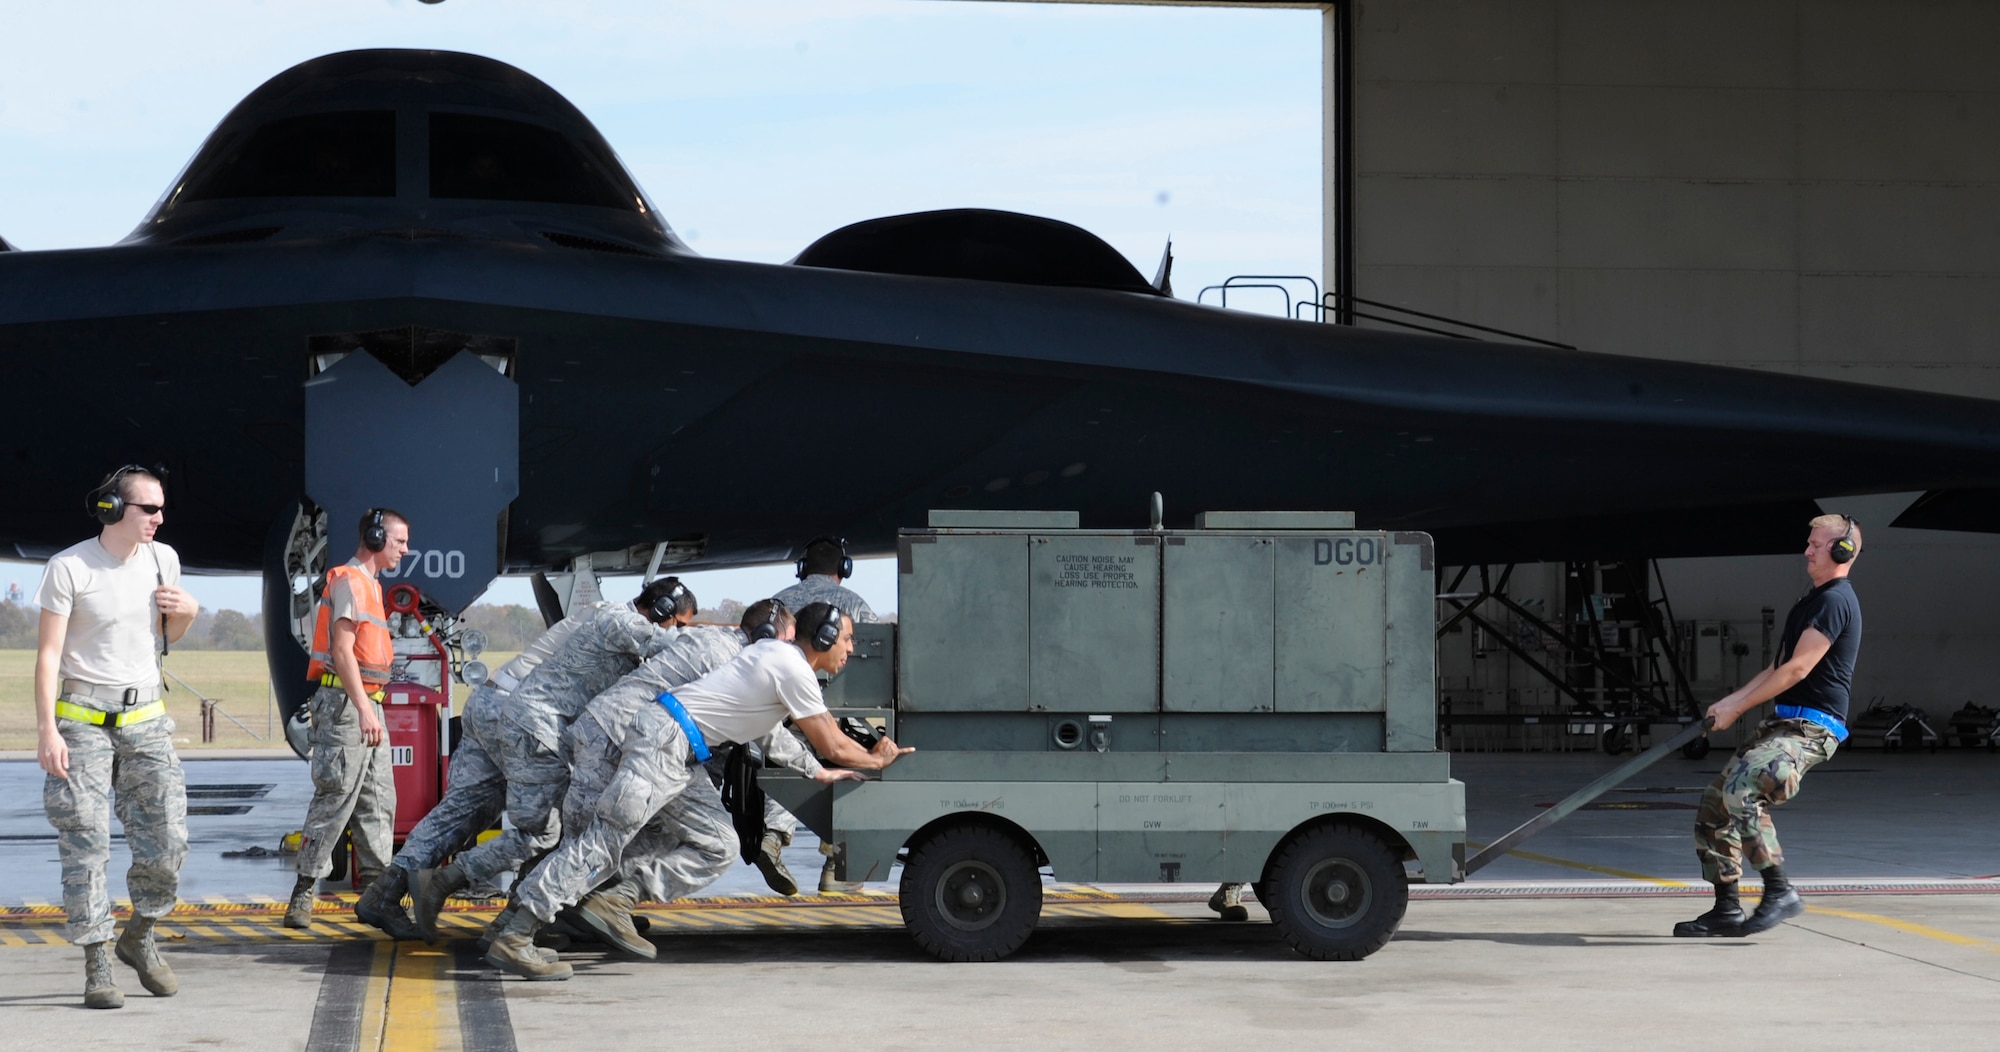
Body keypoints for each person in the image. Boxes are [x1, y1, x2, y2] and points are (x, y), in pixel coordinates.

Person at [487, 602, 913, 980]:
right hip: (664, 742)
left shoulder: (771, 656)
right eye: (847, 639)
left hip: (676, 746)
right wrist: (878, 758)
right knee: (602, 842)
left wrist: (815, 772)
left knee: (718, 843)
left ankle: (612, 899)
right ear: (822, 638)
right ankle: (519, 931)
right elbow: (831, 743)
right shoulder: (793, 667)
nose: (852, 649)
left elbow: (769, 734)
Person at [385, 577, 695, 938]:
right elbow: (680, 651)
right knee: (551, 822)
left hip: (492, 701)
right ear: (662, 611)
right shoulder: (620, 622)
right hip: (524, 716)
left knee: (464, 810)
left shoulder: (602, 613)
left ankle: (385, 893)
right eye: (680, 621)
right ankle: (522, 910)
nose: (680, 627)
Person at [35, 465, 197, 1009]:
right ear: (112, 509)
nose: (158, 517)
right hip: (82, 719)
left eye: (161, 508)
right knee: (86, 844)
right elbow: (48, 656)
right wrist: (46, 732)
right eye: (147, 508)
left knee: (169, 841)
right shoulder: (70, 568)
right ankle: (97, 960)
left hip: (146, 719)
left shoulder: (163, 560)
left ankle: (140, 934)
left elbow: (165, 637)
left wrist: (189, 614)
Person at [1674, 514, 1863, 938]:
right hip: (1785, 724)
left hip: (1812, 728)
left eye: (1816, 544)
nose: (1807, 550)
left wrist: (1739, 709)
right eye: (1809, 543)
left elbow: (1797, 669)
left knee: (1744, 788)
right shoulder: (1811, 601)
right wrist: (1729, 701)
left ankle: (1779, 890)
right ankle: (1726, 909)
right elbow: (1777, 666)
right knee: (1715, 803)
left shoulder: (1835, 601)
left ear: (1841, 551)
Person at [283, 508, 411, 930]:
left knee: (378, 803)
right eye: (399, 541)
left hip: (367, 705)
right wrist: (361, 709)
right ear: (375, 539)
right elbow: (342, 651)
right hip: (346, 707)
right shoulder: (350, 582)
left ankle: (379, 898)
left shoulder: (371, 586)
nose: (405, 550)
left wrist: (369, 708)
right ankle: (303, 894)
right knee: (335, 799)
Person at [772, 536, 878, 891]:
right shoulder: (853, 603)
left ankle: (771, 837)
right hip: (839, 710)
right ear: (842, 569)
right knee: (849, 762)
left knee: (787, 762)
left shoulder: (780, 602)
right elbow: (874, 656)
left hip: (786, 704)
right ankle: (839, 866)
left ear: (803, 568)